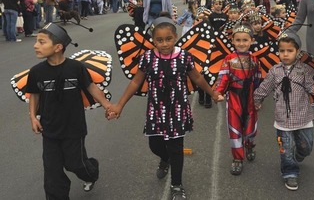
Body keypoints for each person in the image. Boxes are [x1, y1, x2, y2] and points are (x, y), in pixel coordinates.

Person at [107, 17, 221, 200]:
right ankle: (165, 158)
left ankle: (177, 185)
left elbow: (198, 78)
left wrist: (212, 93)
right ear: (154, 41)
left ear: (175, 37)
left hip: (178, 109)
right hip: (156, 110)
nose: (165, 43)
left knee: (176, 148)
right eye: (160, 40)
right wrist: (120, 104)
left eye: (168, 39)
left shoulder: (184, 56)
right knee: (155, 145)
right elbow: (136, 81)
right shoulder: (147, 57)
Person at [26, 23, 112, 199]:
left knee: (76, 164)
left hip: (74, 128)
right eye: (36, 42)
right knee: (52, 173)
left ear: (58, 47)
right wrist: (33, 117)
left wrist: (107, 105)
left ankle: (91, 172)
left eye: (41, 42)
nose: (36, 46)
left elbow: (91, 87)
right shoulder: (36, 72)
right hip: (49, 129)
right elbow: (34, 95)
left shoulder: (76, 68)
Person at [254, 31, 314, 191]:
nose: (286, 54)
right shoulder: (275, 71)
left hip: (303, 116)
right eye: (282, 51)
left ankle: (300, 154)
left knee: (306, 146)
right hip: (283, 119)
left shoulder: (304, 70)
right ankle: (290, 173)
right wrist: (256, 100)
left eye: (290, 51)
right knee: (286, 149)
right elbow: (264, 87)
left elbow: (310, 86)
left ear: (298, 52)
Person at [214, 23, 261, 176]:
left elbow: (258, 80)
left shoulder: (255, 59)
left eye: (245, 40)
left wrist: (259, 99)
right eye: (238, 40)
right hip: (234, 97)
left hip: (250, 98)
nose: (241, 43)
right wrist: (219, 92)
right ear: (232, 41)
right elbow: (223, 77)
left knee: (250, 127)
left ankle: (249, 145)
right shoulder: (229, 59)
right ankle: (237, 159)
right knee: (234, 128)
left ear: (252, 41)